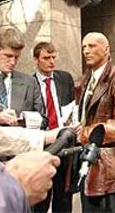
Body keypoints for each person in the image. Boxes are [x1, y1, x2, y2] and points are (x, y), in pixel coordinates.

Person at [77, 32, 115, 213]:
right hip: (88, 161)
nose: (86, 51)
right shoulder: (86, 78)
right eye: (83, 47)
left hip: (110, 167)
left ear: (106, 48)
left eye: (91, 46)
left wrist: (83, 133)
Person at [32, 42, 75, 213]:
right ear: (36, 59)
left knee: (64, 196)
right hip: (43, 145)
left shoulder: (65, 78)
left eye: (53, 57)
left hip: (65, 143)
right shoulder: (29, 83)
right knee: (41, 197)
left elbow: (73, 105)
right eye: (46, 58)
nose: (51, 62)